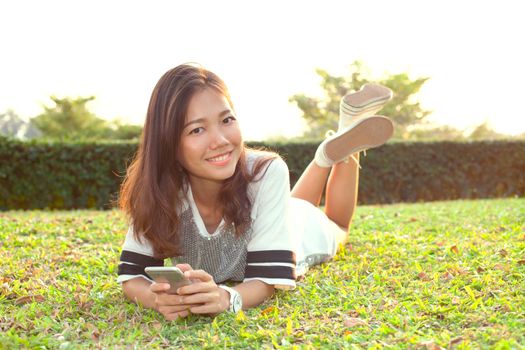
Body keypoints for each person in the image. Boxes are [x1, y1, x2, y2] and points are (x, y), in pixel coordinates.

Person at [117, 63, 393, 320]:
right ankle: (325, 154)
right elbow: (131, 276)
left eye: (227, 120)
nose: (221, 140)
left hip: (299, 231)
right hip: (279, 213)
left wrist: (227, 297)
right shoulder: (159, 189)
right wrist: (158, 301)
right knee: (296, 205)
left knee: (338, 227)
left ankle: (346, 142)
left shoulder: (266, 170)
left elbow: (266, 282)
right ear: (167, 141)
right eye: (197, 129)